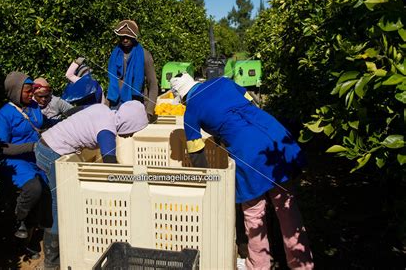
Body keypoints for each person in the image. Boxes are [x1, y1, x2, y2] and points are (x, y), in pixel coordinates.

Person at [170, 73, 314, 270]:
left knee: (254, 212)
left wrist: (209, 182)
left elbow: (196, 154)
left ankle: (259, 264)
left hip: (248, 151)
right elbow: (249, 103)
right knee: (286, 205)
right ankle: (302, 264)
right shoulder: (222, 81)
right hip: (274, 134)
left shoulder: (191, 111)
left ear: (183, 97)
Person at [34, 100, 149, 269]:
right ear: (128, 122)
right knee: (60, 206)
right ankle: (52, 262)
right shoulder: (106, 131)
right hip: (51, 152)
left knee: (62, 203)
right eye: (132, 131)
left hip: (46, 144)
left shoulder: (103, 109)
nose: (130, 136)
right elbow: (111, 166)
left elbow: (72, 112)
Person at [0, 71, 52, 253]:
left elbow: (43, 124)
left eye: (31, 91)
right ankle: (21, 220)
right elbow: (2, 147)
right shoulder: (4, 114)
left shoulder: (34, 107)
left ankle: (31, 238)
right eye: (27, 91)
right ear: (15, 92)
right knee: (34, 188)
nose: (30, 95)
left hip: (36, 159)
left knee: (48, 190)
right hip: (15, 161)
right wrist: (32, 147)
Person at [107, 19, 158, 122]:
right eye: (122, 37)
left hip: (136, 104)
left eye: (128, 37)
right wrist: (106, 107)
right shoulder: (115, 54)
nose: (125, 40)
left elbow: (152, 84)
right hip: (115, 105)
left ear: (134, 37)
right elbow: (112, 83)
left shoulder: (144, 55)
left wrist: (149, 111)